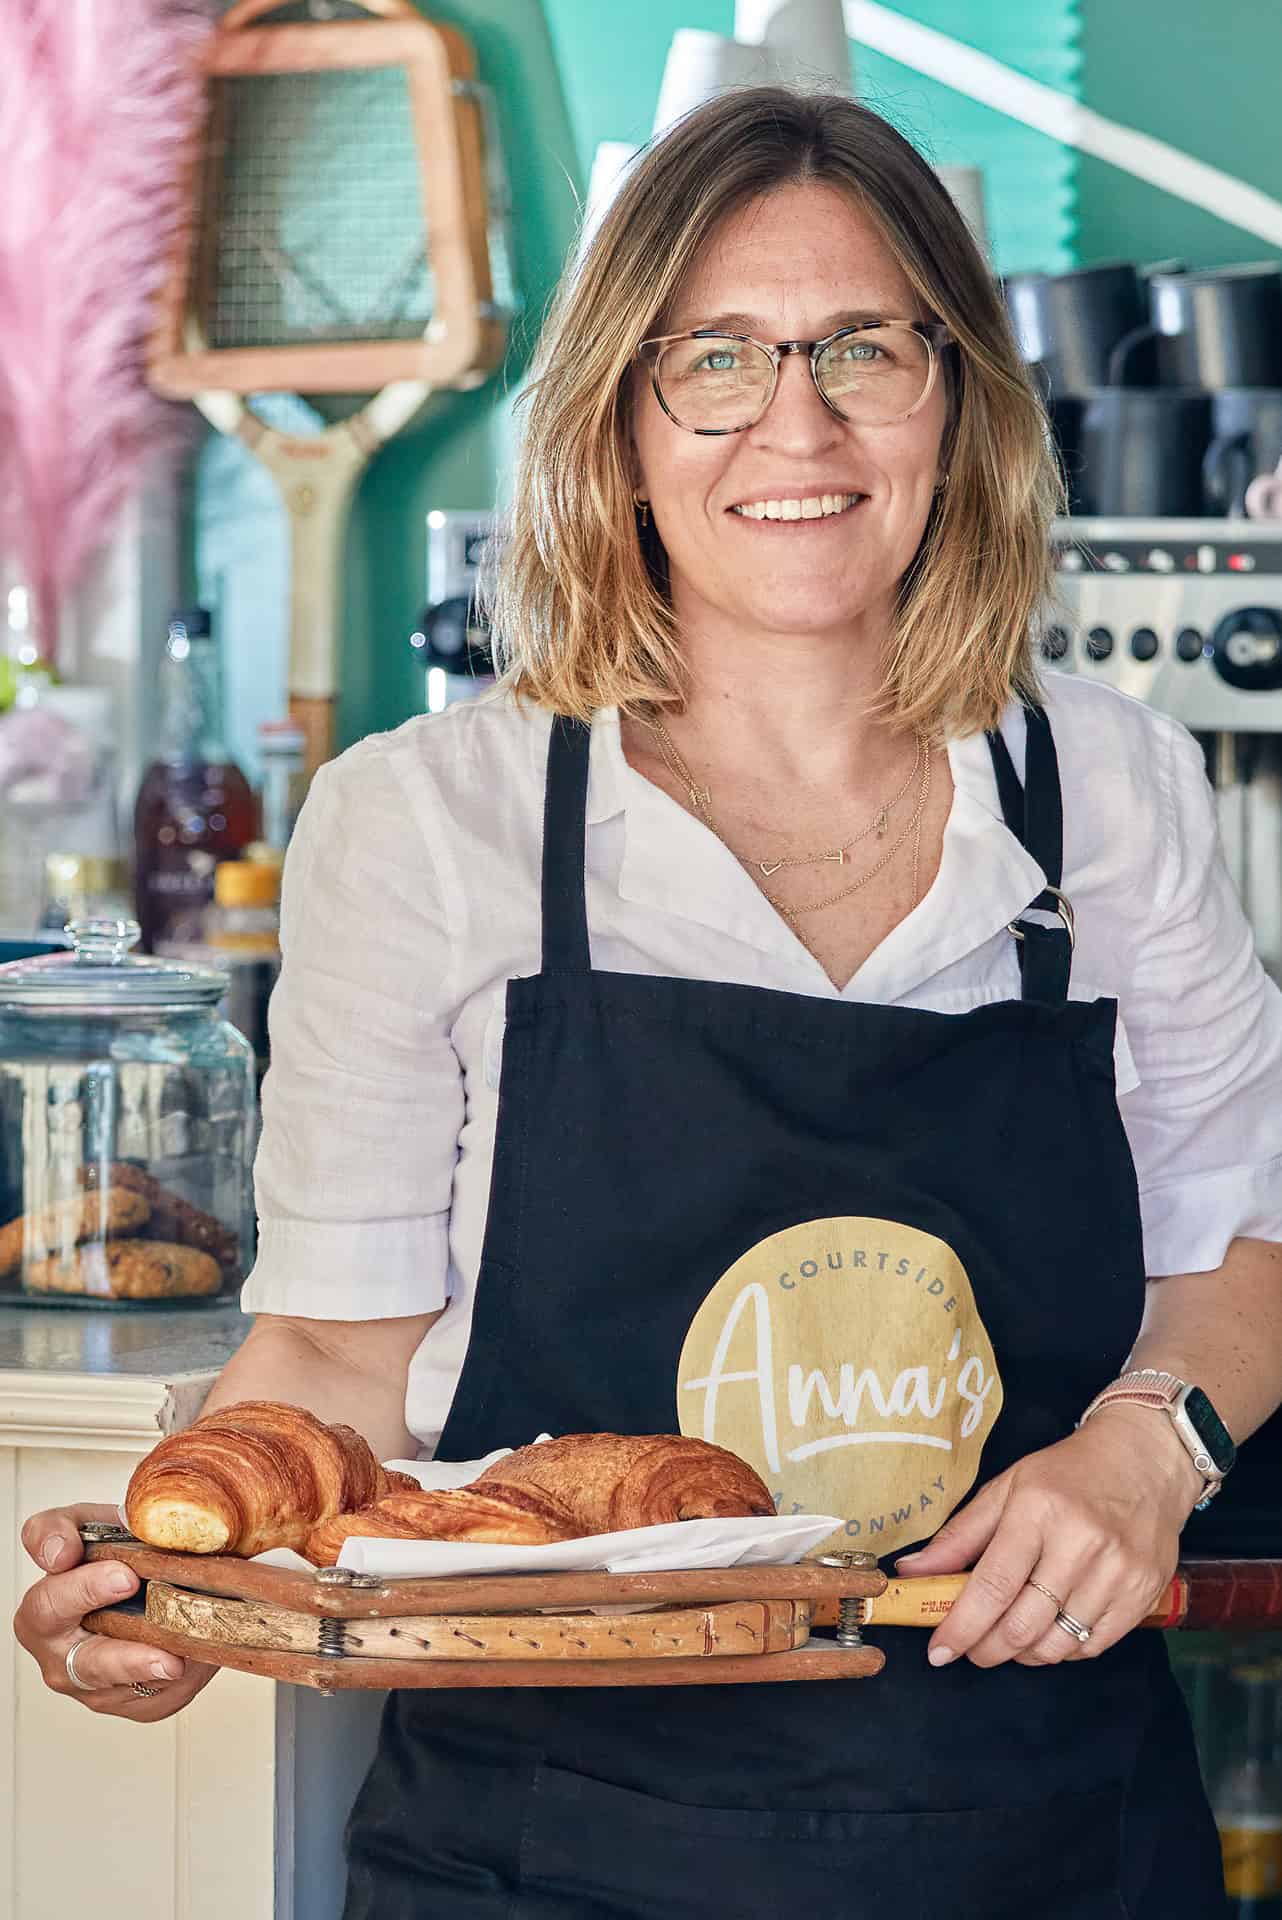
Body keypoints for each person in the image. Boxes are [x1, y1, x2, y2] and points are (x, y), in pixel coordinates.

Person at [16, 88, 1282, 1918]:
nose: (799, 421)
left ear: (958, 400)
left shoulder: (1110, 792)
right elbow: (337, 1358)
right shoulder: (433, 818)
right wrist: (183, 1568)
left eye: (863, 346)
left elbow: (1243, 1248)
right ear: (618, 418)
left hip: (1045, 1828)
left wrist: (1142, 1452)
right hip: (547, 1848)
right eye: (715, 359)